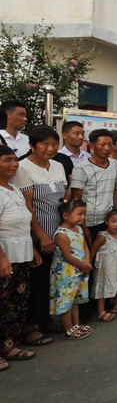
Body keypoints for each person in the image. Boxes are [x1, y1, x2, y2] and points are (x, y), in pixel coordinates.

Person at [13, 126, 67, 346]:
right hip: (38, 236)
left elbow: (65, 198)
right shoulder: (23, 168)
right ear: (32, 146)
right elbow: (28, 206)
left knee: (52, 279)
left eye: (54, 143)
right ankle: (29, 327)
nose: (50, 148)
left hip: (59, 232)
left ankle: (45, 319)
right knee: (36, 281)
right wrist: (42, 236)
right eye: (44, 144)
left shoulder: (58, 165)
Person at [0, 145, 42, 367]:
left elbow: (23, 222)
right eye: (7, 160)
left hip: (21, 255)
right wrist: (2, 259)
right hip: (4, 257)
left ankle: (8, 345)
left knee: (15, 304)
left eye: (15, 159)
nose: (14, 164)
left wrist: (31, 248)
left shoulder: (14, 189)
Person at [50, 198, 93, 340]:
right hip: (66, 274)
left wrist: (87, 262)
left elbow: (85, 246)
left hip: (79, 271)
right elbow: (67, 256)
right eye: (79, 214)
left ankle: (76, 323)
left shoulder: (78, 229)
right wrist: (84, 266)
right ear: (66, 215)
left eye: (84, 214)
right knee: (65, 301)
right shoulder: (62, 234)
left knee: (75, 299)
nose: (83, 217)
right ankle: (68, 328)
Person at [70, 129, 117, 246]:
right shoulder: (81, 168)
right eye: (103, 144)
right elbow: (76, 200)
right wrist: (83, 227)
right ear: (92, 146)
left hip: (109, 220)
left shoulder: (115, 164)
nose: (107, 148)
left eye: (110, 144)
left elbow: (114, 191)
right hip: (88, 222)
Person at [90, 209, 117, 321]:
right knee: (104, 287)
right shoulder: (103, 237)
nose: (116, 224)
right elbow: (93, 249)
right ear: (106, 222)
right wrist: (89, 263)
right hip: (106, 268)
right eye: (113, 221)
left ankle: (116, 305)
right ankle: (101, 311)